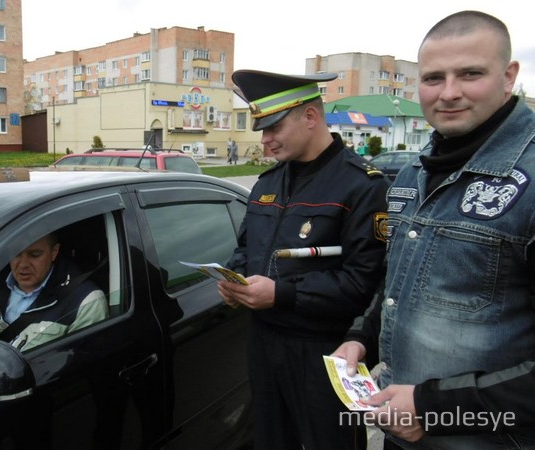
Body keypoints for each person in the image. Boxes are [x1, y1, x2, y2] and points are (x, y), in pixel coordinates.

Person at [334, 10, 535, 449]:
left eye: (470, 74)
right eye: (432, 78)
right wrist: (359, 339)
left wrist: (432, 407)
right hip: (402, 433)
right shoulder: (413, 172)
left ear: (508, 75)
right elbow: (401, 280)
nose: (448, 93)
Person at [218, 69, 390, 449]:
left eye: (273, 128)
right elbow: (246, 247)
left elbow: (364, 283)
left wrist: (283, 294)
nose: (265, 141)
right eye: (262, 130)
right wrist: (235, 279)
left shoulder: (362, 186)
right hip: (263, 344)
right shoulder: (266, 183)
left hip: (324, 352)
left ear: (310, 117)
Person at [0, 232, 109, 351]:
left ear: (54, 252)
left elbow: (76, 373)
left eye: (34, 254)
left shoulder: (85, 302)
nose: (23, 264)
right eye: (16, 253)